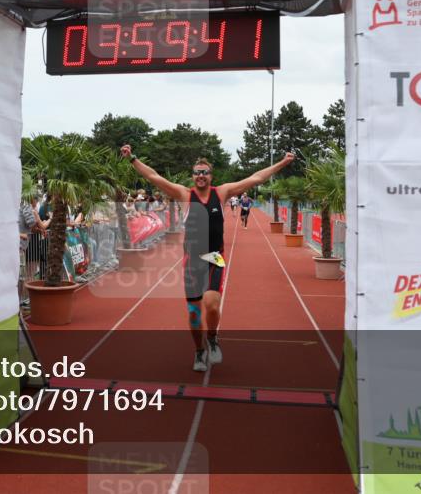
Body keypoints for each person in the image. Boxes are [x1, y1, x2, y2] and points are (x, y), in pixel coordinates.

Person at [120, 144, 295, 372]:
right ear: (192, 176)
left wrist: (282, 163)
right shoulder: (184, 194)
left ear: (211, 176)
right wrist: (132, 158)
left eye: (205, 172)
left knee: (212, 306)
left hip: (214, 257)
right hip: (192, 261)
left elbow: (256, 178)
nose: (201, 176)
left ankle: (212, 338)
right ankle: (199, 351)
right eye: (197, 172)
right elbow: (154, 177)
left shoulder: (221, 193)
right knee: (194, 313)